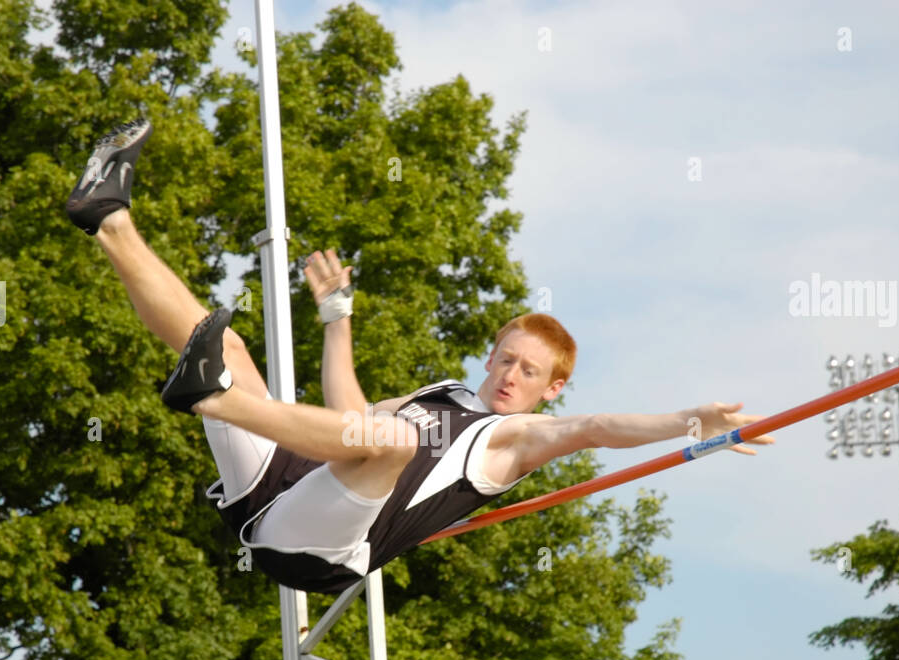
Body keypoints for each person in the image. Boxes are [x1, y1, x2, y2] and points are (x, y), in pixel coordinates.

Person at [66, 119, 775, 593]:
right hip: (279, 486)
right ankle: (108, 217)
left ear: (552, 388)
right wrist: (336, 320)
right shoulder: (441, 398)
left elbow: (597, 429)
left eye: (528, 371)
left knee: (391, 443)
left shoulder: (513, 441)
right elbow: (345, 417)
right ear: (489, 356)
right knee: (229, 347)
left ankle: (214, 396)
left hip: (317, 550)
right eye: (504, 359)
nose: (508, 376)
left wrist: (689, 421)